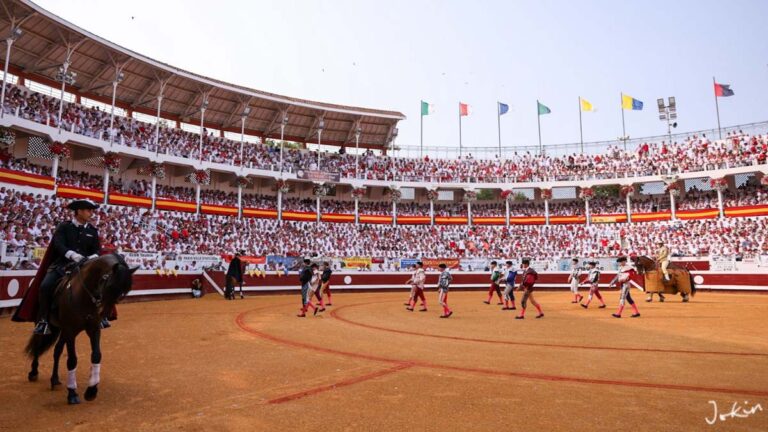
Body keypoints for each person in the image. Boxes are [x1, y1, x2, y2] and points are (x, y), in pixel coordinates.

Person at [19, 199, 104, 335]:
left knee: (102, 285)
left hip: (84, 265)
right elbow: (58, 245)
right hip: (63, 265)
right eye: (89, 210)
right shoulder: (64, 227)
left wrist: (91, 257)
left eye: (92, 210)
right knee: (45, 286)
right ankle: (43, 320)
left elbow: (97, 250)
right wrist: (73, 255)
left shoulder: (93, 231)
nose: (91, 213)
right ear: (79, 211)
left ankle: (99, 316)